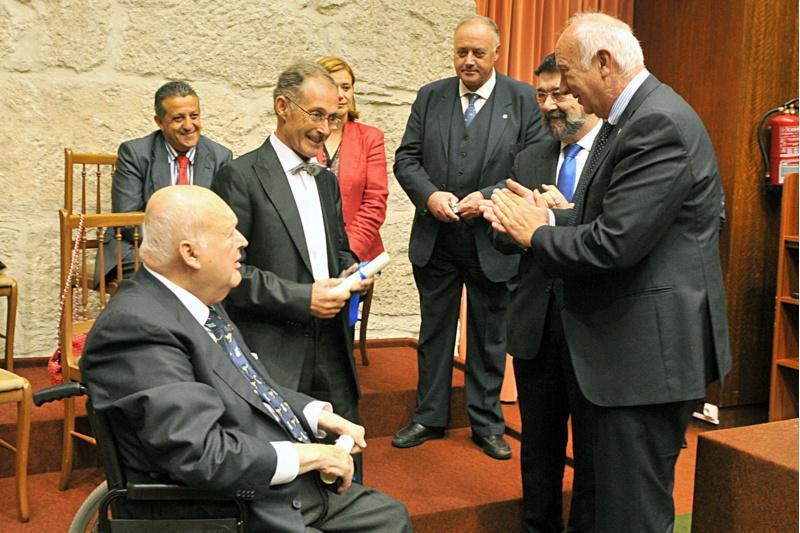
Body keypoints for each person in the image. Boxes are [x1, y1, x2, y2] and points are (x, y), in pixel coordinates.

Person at [484, 13, 731, 532]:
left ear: (603, 63)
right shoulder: (639, 117)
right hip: (632, 357)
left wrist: (536, 233)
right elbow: (608, 216)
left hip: (644, 361)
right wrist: (549, 216)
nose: (564, 87)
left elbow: (614, 242)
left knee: (630, 517)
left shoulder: (655, 122)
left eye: (569, 73)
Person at [80, 186, 411, 533]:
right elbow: (202, 454)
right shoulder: (135, 327)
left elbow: (248, 384)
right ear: (190, 253)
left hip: (270, 480)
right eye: (229, 233)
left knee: (391, 517)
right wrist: (313, 455)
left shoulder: (196, 298)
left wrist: (316, 415)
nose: (243, 241)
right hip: (225, 508)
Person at [392, 14, 545, 460]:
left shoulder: (522, 99)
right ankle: (428, 416)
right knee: (433, 333)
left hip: (493, 238)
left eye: (479, 52)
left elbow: (531, 168)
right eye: (462, 52)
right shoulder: (430, 96)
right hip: (436, 236)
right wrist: (429, 195)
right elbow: (407, 159)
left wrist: (489, 196)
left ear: (496, 54)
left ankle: (487, 422)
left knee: (489, 335)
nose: (469, 61)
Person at [211, 62, 370, 478]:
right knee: (286, 477)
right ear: (282, 106)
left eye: (333, 118)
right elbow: (228, 276)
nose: (325, 128)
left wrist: (351, 272)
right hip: (275, 349)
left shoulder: (325, 181)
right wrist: (304, 299)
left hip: (333, 344)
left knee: (346, 464)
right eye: (316, 115)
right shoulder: (239, 176)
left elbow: (335, 251)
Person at [496, 52, 600, 532]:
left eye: (560, 92)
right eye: (541, 94)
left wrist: (560, 216)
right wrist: (514, 220)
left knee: (594, 455)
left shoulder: (617, 154)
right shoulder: (531, 155)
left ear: (587, 90)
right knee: (538, 449)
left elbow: (620, 235)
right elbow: (502, 236)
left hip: (596, 329)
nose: (550, 105)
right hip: (537, 324)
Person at [96, 81, 232, 286]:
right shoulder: (135, 153)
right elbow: (126, 220)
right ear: (159, 122)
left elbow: (222, 215)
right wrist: (174, 250)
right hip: (139, 247)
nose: (188, 125)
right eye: (178, 118)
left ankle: (205, 318)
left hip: (197, 251)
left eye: (194, 116)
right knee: (167, 274)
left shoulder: (220, 156)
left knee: (220, 267)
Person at [315, 56, 389, 263]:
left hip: (357, 253)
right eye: (332, 87)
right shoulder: (306, 136)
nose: (340, 95)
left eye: (346, 87)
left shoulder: (370, 138)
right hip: (308, 253)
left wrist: (349, 252)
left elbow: (375, 201)